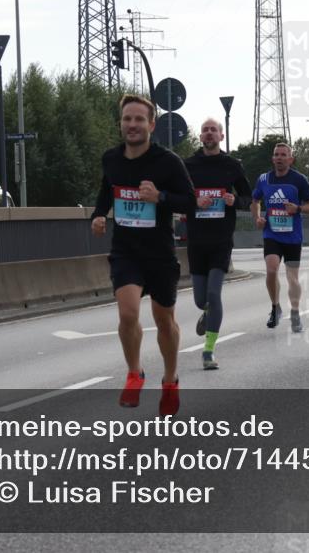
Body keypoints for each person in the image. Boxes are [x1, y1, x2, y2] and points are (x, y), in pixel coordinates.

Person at [91, 94, 196, 412]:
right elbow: (106, 190)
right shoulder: (111, 159)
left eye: (139, 120)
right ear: (120, 124)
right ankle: (134, 374)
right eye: (127, 119)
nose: (132, 125)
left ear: (151, 125)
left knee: (164, 321)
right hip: (126, 251)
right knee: (128, 313)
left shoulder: (168, 162)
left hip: (160, 254)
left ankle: (169, 379)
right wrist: (98, 214)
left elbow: (189, 202)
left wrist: (160, 196)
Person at [183, 118, 252, 370]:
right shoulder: (187, 165)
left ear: (221, 137)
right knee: (201, 300)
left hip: (221, 239)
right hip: (196, 240)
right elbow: (178, 197)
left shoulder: (232, 165)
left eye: (213, 130)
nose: (209, 133)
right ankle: (206, 313)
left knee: (214, 293)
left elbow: (249, 197)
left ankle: (209, 350)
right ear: (200, 137)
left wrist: (236, 200)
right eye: (205, 130)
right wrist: (192, 203)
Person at [251, 143, 309, 333]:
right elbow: (255, 200)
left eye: (283, 155)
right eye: (276, 155)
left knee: (292, 278)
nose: (279, 158)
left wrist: (298, 209)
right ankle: (275, 307)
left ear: (291, 159)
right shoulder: (264, 179)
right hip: (271, 233)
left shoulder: (299, 180)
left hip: (292, 236)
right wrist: (257, 217)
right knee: (271, 269)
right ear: (272, 159)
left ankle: (296, 313)